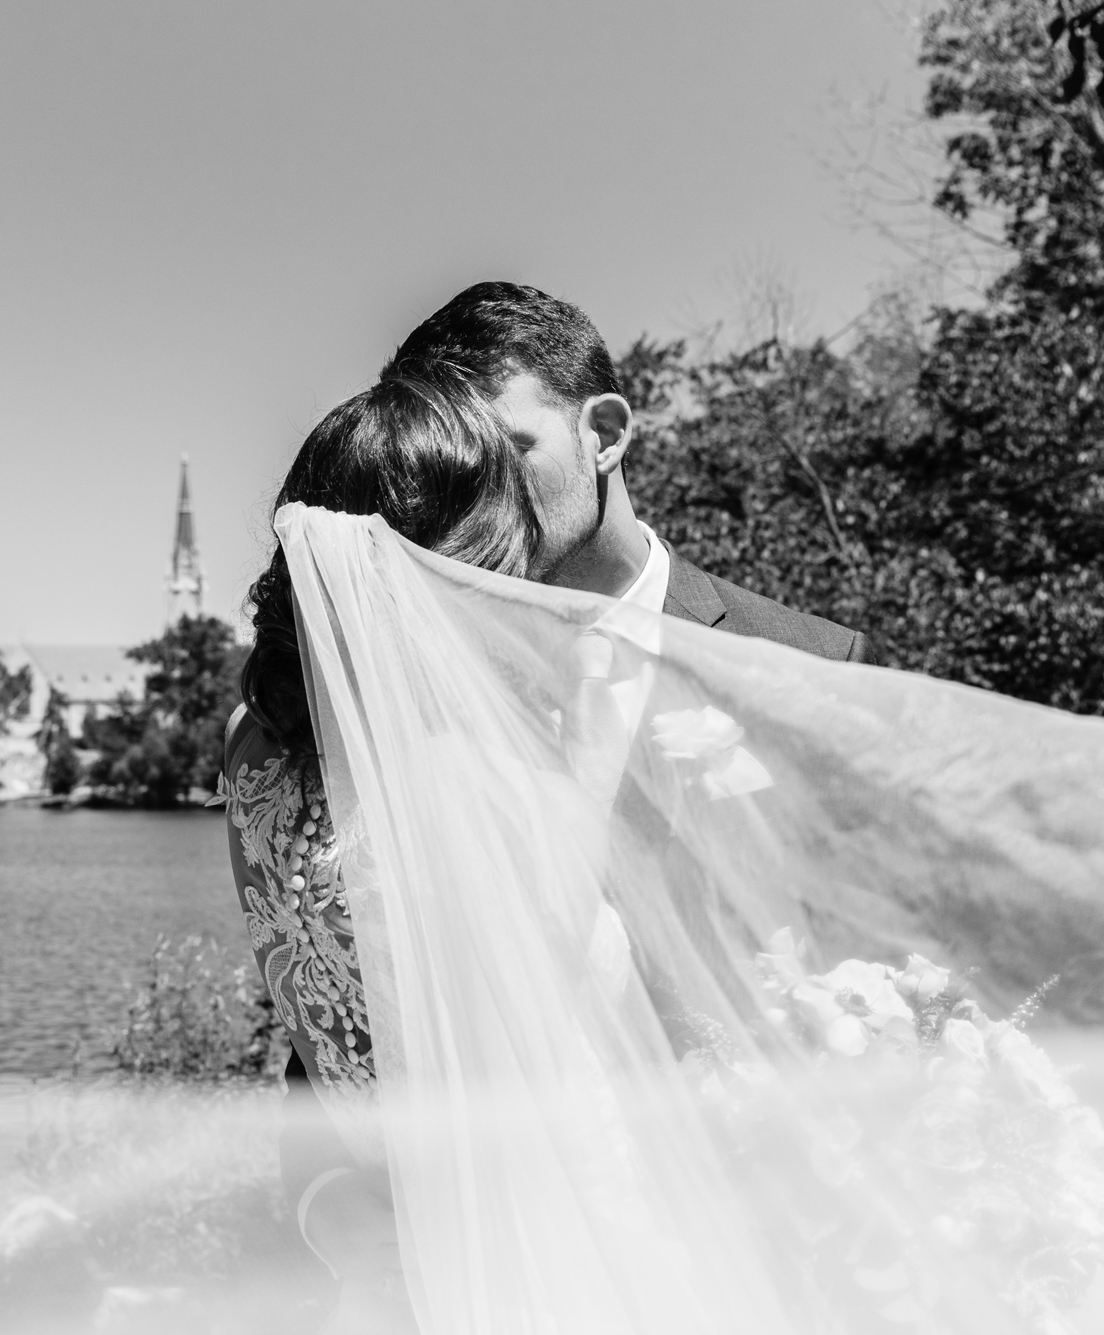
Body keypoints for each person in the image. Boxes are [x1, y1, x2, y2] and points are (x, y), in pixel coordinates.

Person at [227, 282, 874, 1325]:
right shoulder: (401, 708)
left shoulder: (803, 670)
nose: (476, 495)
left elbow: (873, 995)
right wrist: (334, 1214)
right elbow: (341, 1032)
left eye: (504, 451)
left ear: (604, 433)